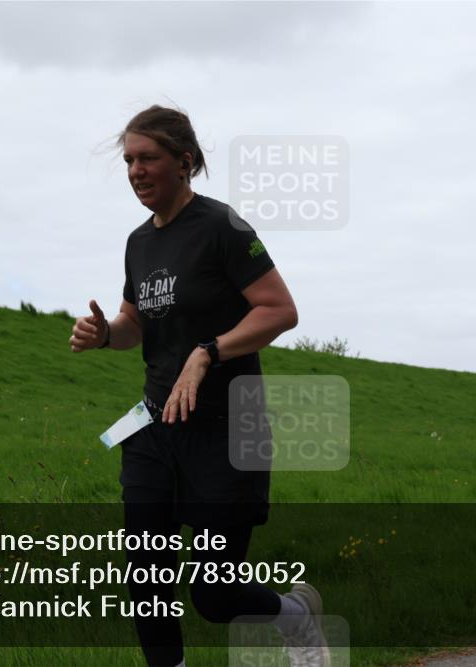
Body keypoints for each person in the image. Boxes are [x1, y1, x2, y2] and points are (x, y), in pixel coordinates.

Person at [70, 105, 330, 667]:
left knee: (215, 596)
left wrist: (208, 352)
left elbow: (280, 311)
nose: (137, 171)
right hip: (155, 430)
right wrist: (102, 334)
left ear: (184, 162)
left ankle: (298, 617)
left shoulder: (223, 228)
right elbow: (134, 324)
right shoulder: (138, 243)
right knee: (146, 581)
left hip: (226, 433)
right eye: (129, 161)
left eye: (149, 158)